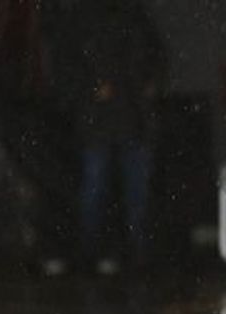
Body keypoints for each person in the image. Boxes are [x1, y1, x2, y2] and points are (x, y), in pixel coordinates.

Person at [70, 0, 165, 275]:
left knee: (133, 194)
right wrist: (90, 90)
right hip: (102, 121)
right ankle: (91, 255)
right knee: (98, 189)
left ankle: (135, 255)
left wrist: (150, 84)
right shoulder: (87, 20)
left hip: (132, 120)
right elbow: (68, 66)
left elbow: (157, 57)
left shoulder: (135, 19)